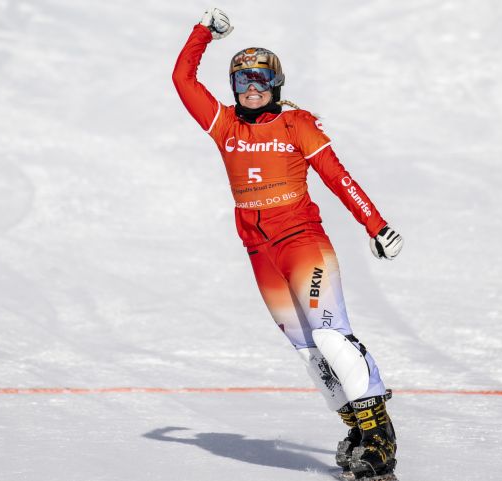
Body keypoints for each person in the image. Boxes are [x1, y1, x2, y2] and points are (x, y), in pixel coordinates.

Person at [172, 8, 404, 480]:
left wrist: (375, 225)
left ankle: (380, 435)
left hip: (302, 242)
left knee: (330, 334)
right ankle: (356, 429)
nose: (251, 87)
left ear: (276, 82)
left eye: (260, 78)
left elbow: (339, 178)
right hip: (260, 253)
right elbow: (182, 78)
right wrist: (204, 33)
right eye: (241, 81)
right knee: (307, 351)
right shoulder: (224, 126)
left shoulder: (298, 124)